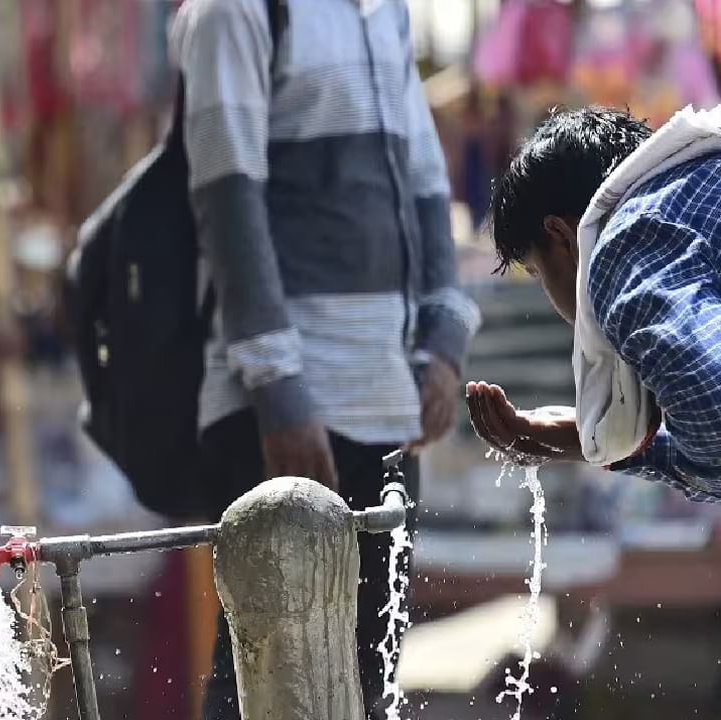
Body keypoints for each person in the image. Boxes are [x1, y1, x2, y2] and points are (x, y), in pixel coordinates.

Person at [170, 1, 481, 718]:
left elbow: (426, 182)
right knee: (263, 674)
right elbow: (227, 194)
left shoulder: (381, 11)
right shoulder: (233, 12)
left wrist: (442, 338)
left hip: (387, 402)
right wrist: (279, 385)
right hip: (285, 405)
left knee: (367, 675)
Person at [472, 104, 721, 502]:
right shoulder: (700, 179)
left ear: (561, 236)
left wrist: (613, 446)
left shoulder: (623, 242)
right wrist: (607, 445)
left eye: (537, 274)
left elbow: (714, 433)